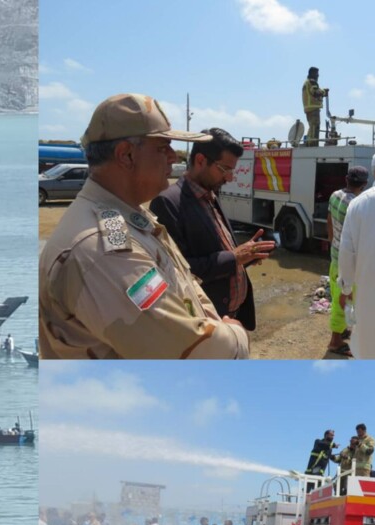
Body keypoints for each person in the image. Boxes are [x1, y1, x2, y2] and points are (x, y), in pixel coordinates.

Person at [39, 93, 250, 359]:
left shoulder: (128, 216)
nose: (174, 157)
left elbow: (185, 282)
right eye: (163, 147)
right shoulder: (101, 250)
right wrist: (235, 335)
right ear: (126, 155)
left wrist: (212, 321)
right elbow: (198, 352)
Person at [151, 128, 275, 330]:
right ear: (200, 161)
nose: (230, 178)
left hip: (231, 318)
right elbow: (179, 272)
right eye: (225, 169)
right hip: (206, 322)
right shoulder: (168, 203)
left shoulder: (210, 195)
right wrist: (235, 257)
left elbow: (218, 252)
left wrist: (247, 256)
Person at [339, 149, 375, 357]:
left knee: (372, 344)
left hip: (368, 294)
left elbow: (346, 252)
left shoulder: (357, 204)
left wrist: (345, 289)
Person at [326, 166, 368, 356]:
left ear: (346, 179)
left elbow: (328, 221)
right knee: (343, 300)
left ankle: (342, 331)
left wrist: (333, 243)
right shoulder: (358, 205)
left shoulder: (335, 196)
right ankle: (335, 341)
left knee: (339, 297)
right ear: (365, 184)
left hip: (335, 257)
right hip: (349, 262)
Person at [302, 67, 328, 146]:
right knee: (314, 127)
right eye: (317, 74)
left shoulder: (306, 82)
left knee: (311, 127)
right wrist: (324, 92)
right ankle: (313, 144)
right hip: (313, 108)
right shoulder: (312, 82)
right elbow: (315, 92)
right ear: (312, 74)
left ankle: (309, 142)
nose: (318, 75)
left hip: (308, 108)